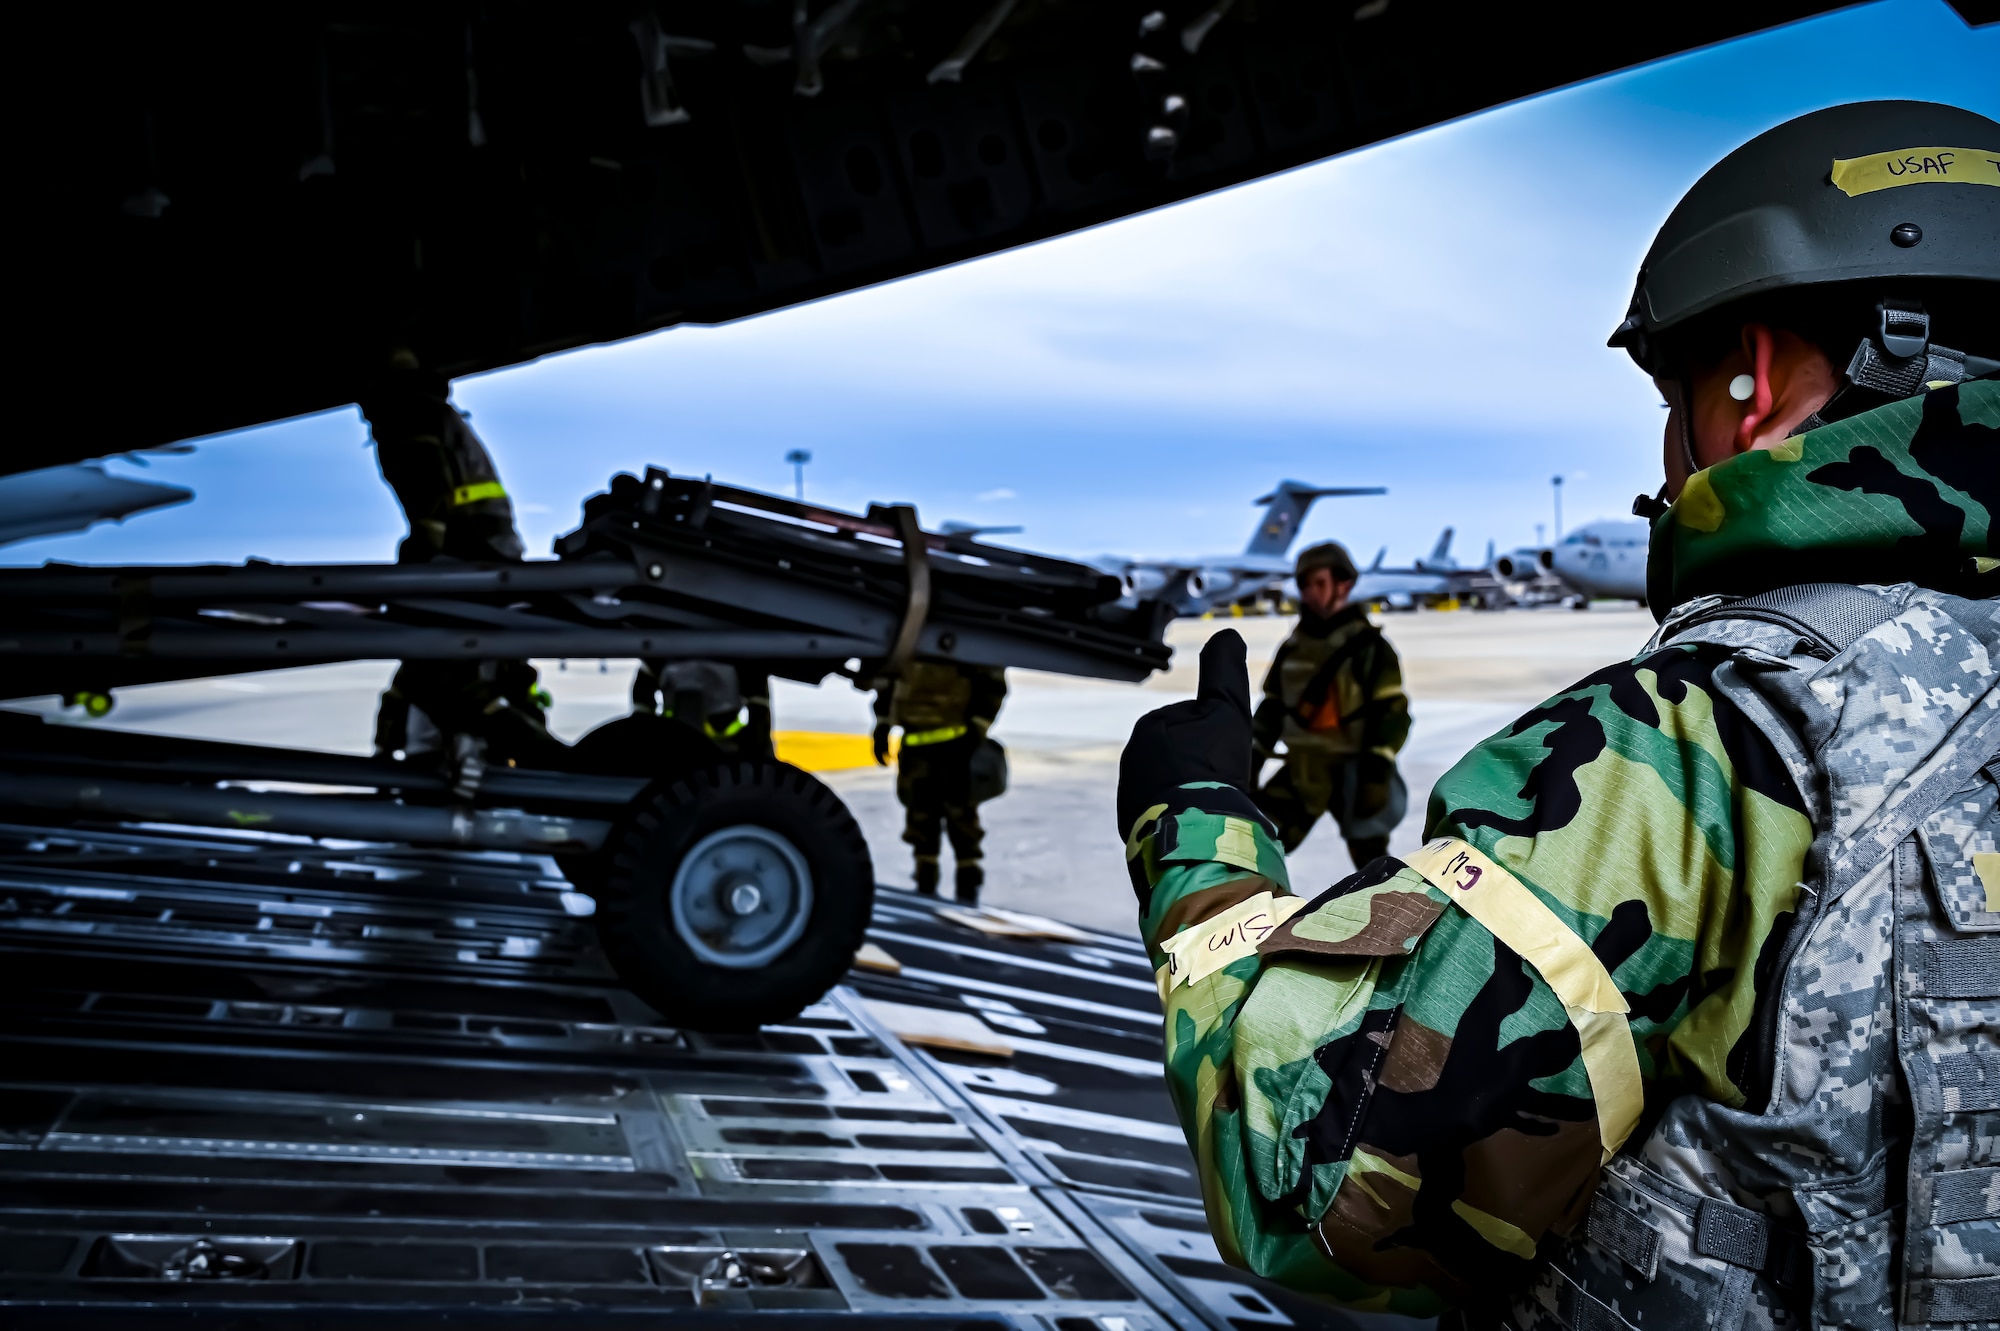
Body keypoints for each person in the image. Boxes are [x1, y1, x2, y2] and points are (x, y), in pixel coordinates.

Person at [1117, 100, 1997, 1329]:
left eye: (1677, 386)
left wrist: (1196, 828)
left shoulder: (1709, 732)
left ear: (1746, 381)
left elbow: (1314, 1180)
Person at [362, 350, 556, 768]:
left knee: (445, 679)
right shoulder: (432, 411)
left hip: (469, 553)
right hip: (485, 551)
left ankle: (544, 759)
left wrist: (404, 586)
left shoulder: (407, 414)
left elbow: (428, 509)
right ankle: (535, 756)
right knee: (462, 669)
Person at [1251, 540, 1409, 867]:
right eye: (1305, 584)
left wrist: (1377, 769)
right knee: (1256, 845)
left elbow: (1391, 712)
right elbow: (1273, 708)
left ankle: (1394, 915)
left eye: (1319, 583)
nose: (1310, 592)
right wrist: (1251, 755)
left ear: (1344, 584)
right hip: (1302, 769)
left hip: (1355, 769)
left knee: (1371, 861)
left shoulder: (1370, 647)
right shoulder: (1292, 648)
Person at [874, 660, 1009, 902]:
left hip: (956, 744)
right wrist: (883, 722)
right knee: (920, 815)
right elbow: (889, 674)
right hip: (916, 743)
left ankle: (967, 879)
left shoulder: (955, 637)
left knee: (960, 814)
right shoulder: (910, 635)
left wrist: (977, 727)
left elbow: (992, 678)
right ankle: (927, 876)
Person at [632, 658, 774, 758]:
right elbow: (759, 705)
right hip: (719, 729)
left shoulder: (658, 653)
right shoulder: (744, 661)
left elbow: (642, 693)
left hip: (706, 730)